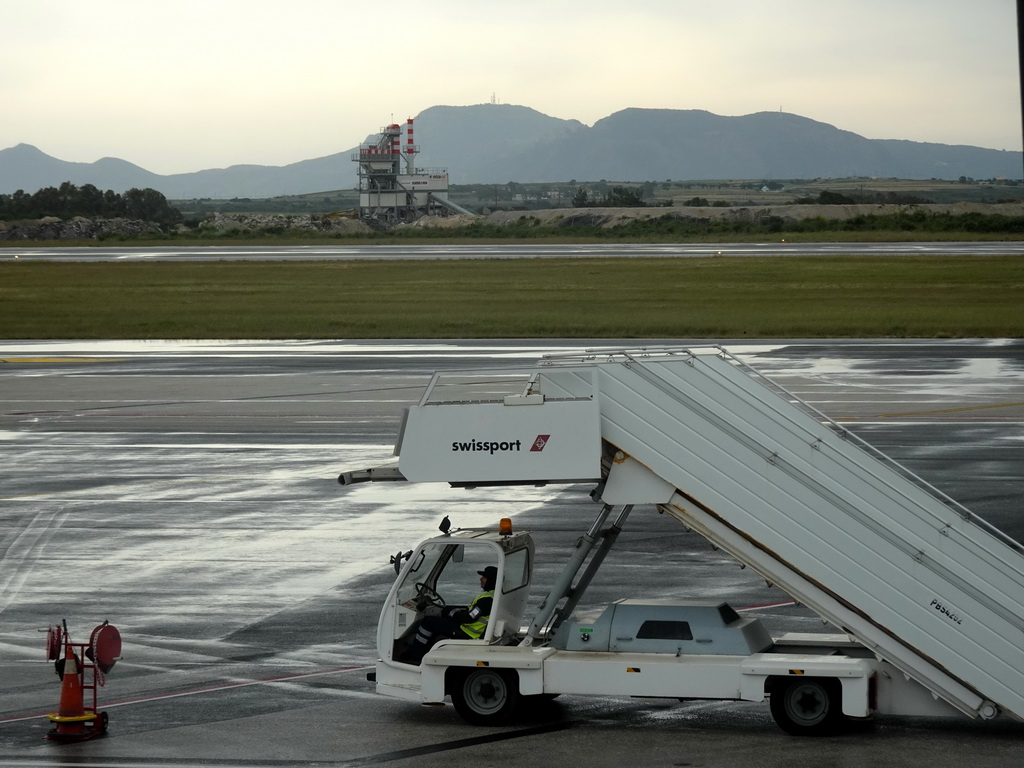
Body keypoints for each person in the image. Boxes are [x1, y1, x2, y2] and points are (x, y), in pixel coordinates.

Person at [408, 566, 496, 664]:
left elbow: (469, 618)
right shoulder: (492, 595)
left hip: (468, 632)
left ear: (490, 580)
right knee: (443, 614)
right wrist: (450, 612)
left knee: (427, 622)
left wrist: (453, 613)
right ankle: (428, 649)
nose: (480, 579)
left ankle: (416, 657)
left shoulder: (486, 600)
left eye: (484, 577)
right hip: (468, 629)